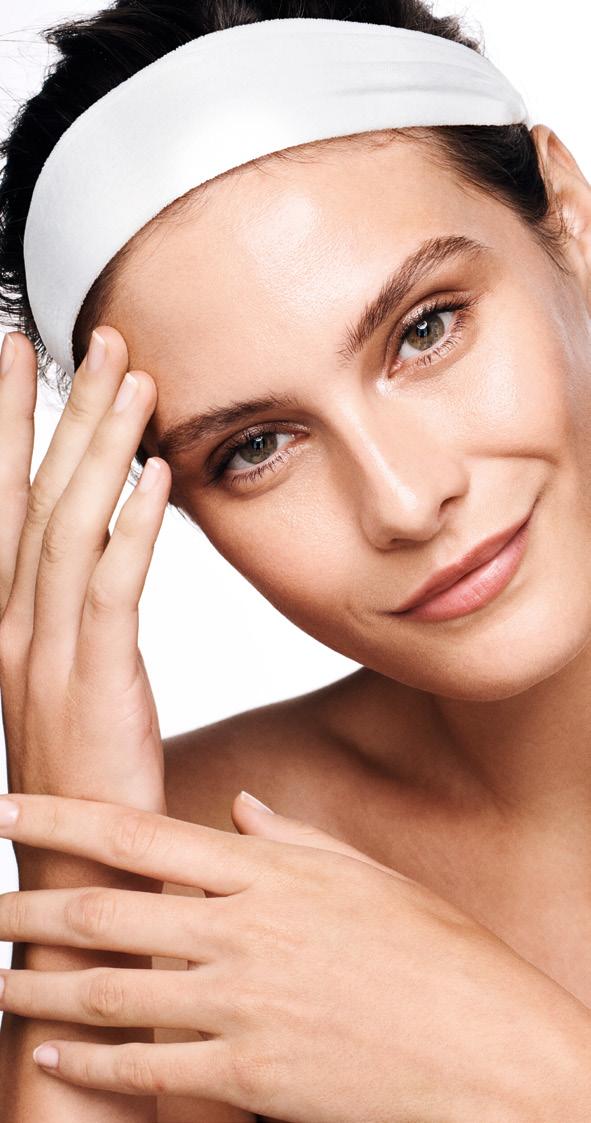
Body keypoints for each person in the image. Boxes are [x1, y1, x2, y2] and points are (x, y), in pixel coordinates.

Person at [0, 1, 591, 1121]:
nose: (405, 500)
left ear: (566, 216)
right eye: (256, 447)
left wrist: (525, 1064)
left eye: (426, 329)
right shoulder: (191, 864)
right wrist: (81, 898)